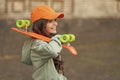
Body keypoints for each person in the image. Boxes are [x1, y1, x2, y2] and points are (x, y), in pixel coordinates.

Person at [21, 5, 67, 80]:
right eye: (50, 21)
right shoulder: (37, 45)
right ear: (40, 25)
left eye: (55, 20)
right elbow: (52, 51)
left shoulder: (45, 43)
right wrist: (57, 38)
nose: (55, 24)